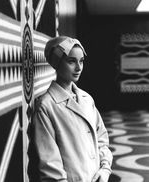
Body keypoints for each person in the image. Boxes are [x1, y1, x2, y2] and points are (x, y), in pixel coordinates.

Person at [32, 36, 113, 182]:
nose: (78, 67)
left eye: (81, 61)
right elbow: (50, 163)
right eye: (71, 61)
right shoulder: (46, 106)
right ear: (57, 63)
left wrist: (105, 169)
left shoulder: (87, 99)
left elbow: (102, 140)